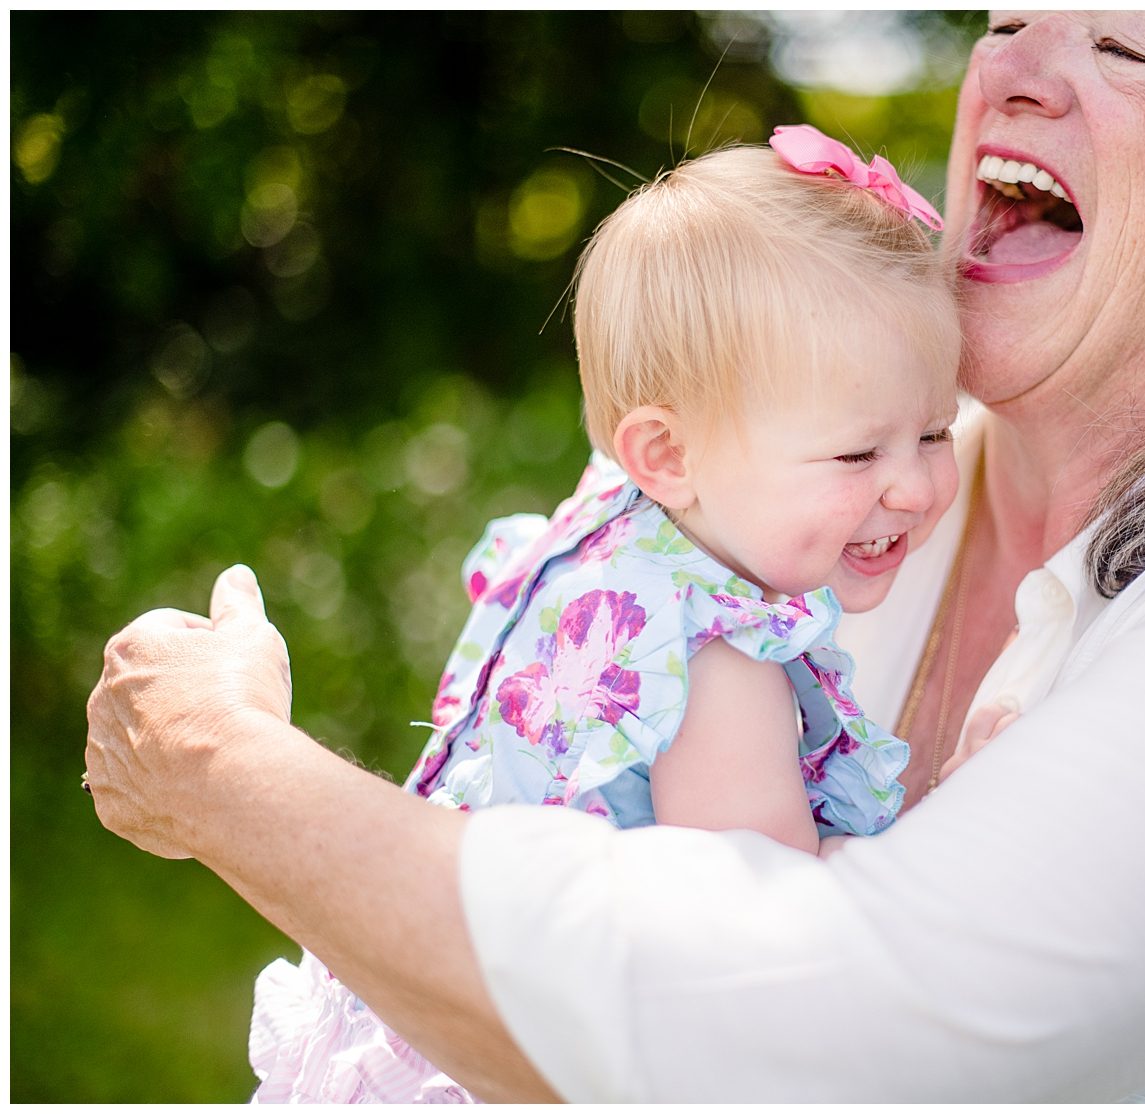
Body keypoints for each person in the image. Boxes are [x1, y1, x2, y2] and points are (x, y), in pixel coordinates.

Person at [83, 12, 1145, 1101]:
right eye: (1006, 18)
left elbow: (817, 1041)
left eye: (1127, 43)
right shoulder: (808, 450)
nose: (1017, 69)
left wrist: (227, 773)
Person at [242, 128, 962, 1102]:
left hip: (424, 994)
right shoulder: (720, 672)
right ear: (667, 453)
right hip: (525, 1060)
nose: (914, 486)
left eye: (932, 432)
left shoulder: (613, 527)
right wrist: (954, 832)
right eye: (856, 455)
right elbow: (777, 948)